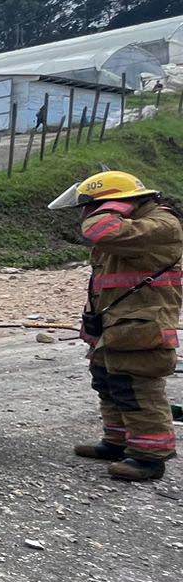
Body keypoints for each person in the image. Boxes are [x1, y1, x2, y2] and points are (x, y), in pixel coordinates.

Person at [50, 170, 182, 481]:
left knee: (136, 389)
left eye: (90, 207)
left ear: (115, 204)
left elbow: (100, 231)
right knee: (107, 382)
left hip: (142, 326)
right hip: (116, 325)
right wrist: (91, 322)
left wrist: (113, 206)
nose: (85, 215)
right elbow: (107, 284)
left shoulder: (160, 226)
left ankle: (149, 457)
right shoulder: (133, 227)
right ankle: (117, 442)